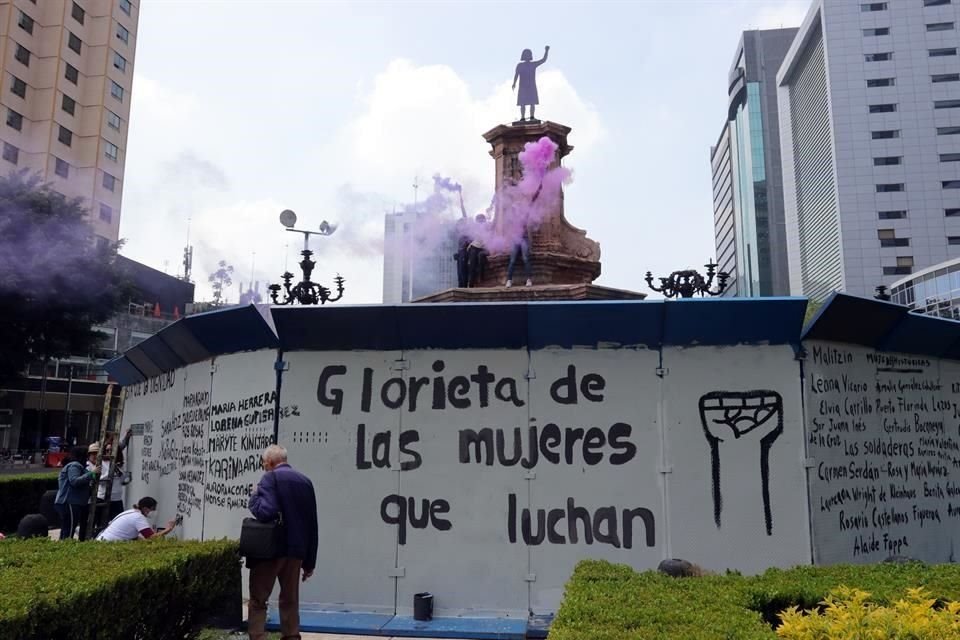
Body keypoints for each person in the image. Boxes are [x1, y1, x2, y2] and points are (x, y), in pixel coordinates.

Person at [247, 444, 318, 640]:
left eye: (264, 463)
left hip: (270, 551)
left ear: (270, 462)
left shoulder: (269, 478)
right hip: (295, 552)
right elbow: (312, 524)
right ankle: (292, 636)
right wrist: (309, 562)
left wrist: (254, 495)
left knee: (258, 599)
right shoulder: (305, 482)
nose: (264, 467)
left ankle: (257, 636)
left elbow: (266, 512)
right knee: (290, 600)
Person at [54, 445, 98, 540]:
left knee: (66, 529)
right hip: (70, 502)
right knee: (69, 530)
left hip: (72, 502)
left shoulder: (78, 466)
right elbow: (74, 481)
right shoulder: (74, 465)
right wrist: (92, 473)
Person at [96, 497, 177, 541]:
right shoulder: (138, 517)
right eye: (153, 509)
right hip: (108, 543)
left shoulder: (131, 512)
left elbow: (134, 536)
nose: (154, 512)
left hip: (102, 540)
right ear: (145, 509)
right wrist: (168, 529)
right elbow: (151, 537)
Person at [512, 46, 550, 122]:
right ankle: (522, 117)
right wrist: (514, 83)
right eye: (526, 55)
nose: (527, 56)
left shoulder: (533, 64)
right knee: (523, 103)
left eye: (528, 55)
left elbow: (543, 60)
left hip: (531, 86)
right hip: (523, 87)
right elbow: (516, 75)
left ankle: (532, 117)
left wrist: (546, 51)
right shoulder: (520, 65)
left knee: (532, 102)